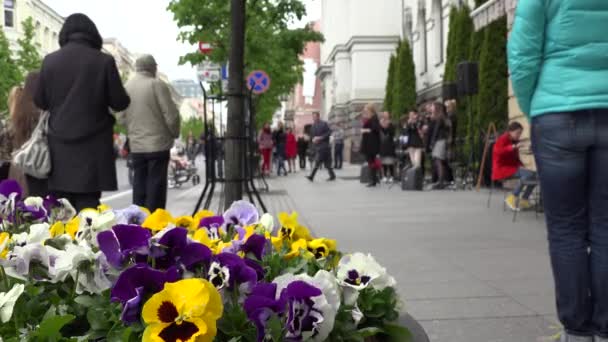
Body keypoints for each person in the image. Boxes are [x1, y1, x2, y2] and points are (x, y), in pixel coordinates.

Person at [509, 3, 608, 342]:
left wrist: (533, 107)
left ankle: (578, 332)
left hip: (557, 112)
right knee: (606, 226)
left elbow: (522, 53)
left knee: (566, 230)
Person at [34, 14, 130, 212]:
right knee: (89, 208)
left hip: (59, 146)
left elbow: (40, 100)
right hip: (93, 147)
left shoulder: (50, 61)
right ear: (92, 34)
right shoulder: (104, 61)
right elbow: (120, 102)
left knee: (61, 208)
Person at [118, 54, 180, 211]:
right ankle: (154, 225)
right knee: (156, 188)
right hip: (158, 145)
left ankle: (138, 222)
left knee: (139, 186)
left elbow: (120, 116)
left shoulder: (127, 87)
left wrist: (132, 127)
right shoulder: (157, 85)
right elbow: (171, 115)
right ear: (153, 67)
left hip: (137, 146)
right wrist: (174, 133)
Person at [492, 122, 536, 211]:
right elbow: (499, 151)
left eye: (520, 133)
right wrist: (514, 146)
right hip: (502, 169)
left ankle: (524, 200)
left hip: (511, 168)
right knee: (528, 175)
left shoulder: (514, 141)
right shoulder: (503, 139)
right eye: (518, 133)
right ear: (510, 132)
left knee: (534, 176)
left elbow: (515, 159)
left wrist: (522, 166)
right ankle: (512, 197)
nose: (519, 135)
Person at [426, 102, 449, 189]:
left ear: (437, 108)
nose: (431, 108)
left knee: (438, 160)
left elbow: (435, 132)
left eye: (432, 106)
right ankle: (440, 180)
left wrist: (432, 143)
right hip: (441, 140)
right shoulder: (442, 117)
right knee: (438, 160)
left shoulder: (439, 118)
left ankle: (441, 181)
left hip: (439, 141)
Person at [306, 112, 336, 182]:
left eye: (315, 116)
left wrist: (321, 137)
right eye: (313, 117)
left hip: (324, 146)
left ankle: (311, 176)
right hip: (318, 146)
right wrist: (313, 139)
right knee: (327, 163)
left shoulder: (324, 123)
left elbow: (329, 132)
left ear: (318, 117)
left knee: (317, 161)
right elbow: (312, 136)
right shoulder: (313, 126)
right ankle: (332, 176)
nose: (313, 118)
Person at [360, 104, 381, 187]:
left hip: (372, 143)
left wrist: (366, 130)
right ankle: (374, 179)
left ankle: (373, 180)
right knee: (370, 161)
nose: (365, 111)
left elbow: (376, 129)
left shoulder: (374, 118)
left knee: (371, 160)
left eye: (366, 110)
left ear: (370, 110)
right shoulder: (369, 118)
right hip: (368, 142)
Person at [379, 112, 397, 183]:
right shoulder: (381, 123)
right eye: (384, 115)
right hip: (383, 145)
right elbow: (380, 131)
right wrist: (382, 126)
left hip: (390, 144)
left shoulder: (391, 124)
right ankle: (385, 176)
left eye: (387, 115)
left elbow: (392, 133)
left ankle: (392, 176)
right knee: (384, 161)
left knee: (390, 161)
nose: (385, 116)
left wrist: (387, 125)